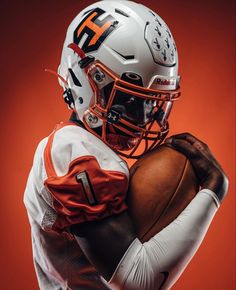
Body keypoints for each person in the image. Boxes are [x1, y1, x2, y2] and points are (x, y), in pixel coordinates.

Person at [24, 1, 228, 289]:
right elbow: (138, 282)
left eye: (152, 102)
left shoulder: (81, 146)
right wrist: (213, 192)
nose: (145, 118)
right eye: (131, 99)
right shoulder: (74, 153)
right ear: (88, 80)